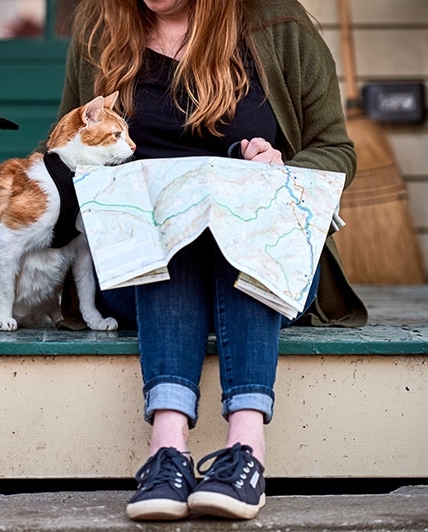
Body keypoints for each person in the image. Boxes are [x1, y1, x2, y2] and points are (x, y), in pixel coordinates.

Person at [46, 0, 368, 522]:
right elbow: (65, 147)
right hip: (141, 265)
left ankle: (244, 449)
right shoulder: (100, 27)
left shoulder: (277, 24)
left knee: (222, 228)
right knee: (179, 233)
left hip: (264, 258)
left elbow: (336, 150)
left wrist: (279, 166)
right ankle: (168, 449)